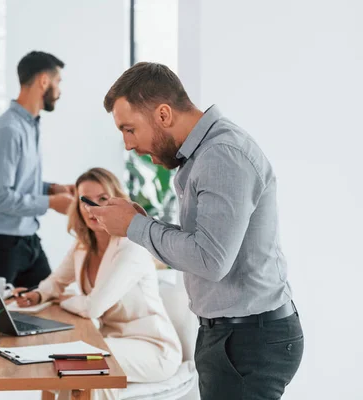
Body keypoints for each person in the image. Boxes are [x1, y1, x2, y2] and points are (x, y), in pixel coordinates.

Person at [85, 62, 304, 400]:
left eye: (129, 129)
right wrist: (140, 223)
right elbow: (206, 244)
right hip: (231, 335)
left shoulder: (222, 156)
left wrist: (136, 227)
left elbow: (211, 260)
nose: (128, 145)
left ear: (162, 114)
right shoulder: (203, 156)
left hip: (247, 341)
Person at [14, 167, 182, 400]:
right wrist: (39, 295)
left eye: (102, 199)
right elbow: (56, 280)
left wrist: (63, 300)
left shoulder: (130, 246)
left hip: (151, 347)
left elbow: (93, 307)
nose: (92, 209)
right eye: (85, 201)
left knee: (87, 363)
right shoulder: (83, 246)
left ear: (117, 201)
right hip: (110, 340)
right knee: (61, 359)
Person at [0, 50, 75, 288]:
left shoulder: (29, 126)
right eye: (57, 82)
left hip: (27, 240)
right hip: (0, 248)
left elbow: (18, 184)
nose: (59, 91)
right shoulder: (8, 131)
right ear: (44, 81)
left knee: (48, 304)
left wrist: (51, 189)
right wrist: (51, 203)